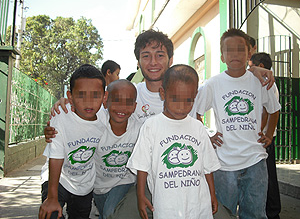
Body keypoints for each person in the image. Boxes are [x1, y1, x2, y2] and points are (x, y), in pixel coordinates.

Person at [44, 30, 276, 218]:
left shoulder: (184, 88)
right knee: (116, 214)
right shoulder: (126, 96)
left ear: (170, 59)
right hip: (136, 181)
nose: (153, 62)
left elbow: (228, 83)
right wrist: (66, 106)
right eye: (146, 55)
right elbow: (93, 111)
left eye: (160, 55)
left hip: (185, 180)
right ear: (138, 61)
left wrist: (252, 69)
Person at [193, 28, 281, 218]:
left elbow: (274, 110)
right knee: (224, 213)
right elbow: (195, 114)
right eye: (229, 50)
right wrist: (207, 137)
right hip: (224, 163)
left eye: (241, 49)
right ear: (222, 56)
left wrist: (268, 134)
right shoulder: (212, 84)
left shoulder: (260, 81)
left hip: (255, 161)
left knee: (256, 213)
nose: (235, 54)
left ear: (249, 53)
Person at [127, 64, 221, 219]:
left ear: (195, 95)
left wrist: (212, 194)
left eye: (188, 100)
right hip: (166, 206)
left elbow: (207, 167)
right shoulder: (151, 126)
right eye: (175, 99)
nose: (181, 107)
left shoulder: (198, 127)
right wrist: (141, 195)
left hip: (198, 204)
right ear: (163, 93)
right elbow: (141, 165)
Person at [39, 64, 106, 219]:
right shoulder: (61, 114)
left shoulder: (104, 116)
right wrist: (52, 198)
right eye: (81, 95)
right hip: (58, 179)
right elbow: (56, 156)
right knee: (51, 214)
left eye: (95, 95)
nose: (89, 102)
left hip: (84, 184)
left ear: (104, 96)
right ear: (70, 96)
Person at [93, 79, 142, 219]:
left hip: (124, 182)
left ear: (135, 106)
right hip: (98, 187)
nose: (122, 107)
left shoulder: (139, 129)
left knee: (111, 213)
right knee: (105, 214)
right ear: (105, 100)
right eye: (117, 100)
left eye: (129, 102)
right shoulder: (95, 123)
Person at [249, 52, 281, 219]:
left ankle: (272, 213)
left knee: (266, 179)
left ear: (259, 67)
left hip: (263, 139)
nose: (249, 69)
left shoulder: (265, 83)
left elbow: (267, 112)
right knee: (268, 177)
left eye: (251, 65)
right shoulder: (269, 82)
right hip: (267, 137)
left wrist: (259, 132)